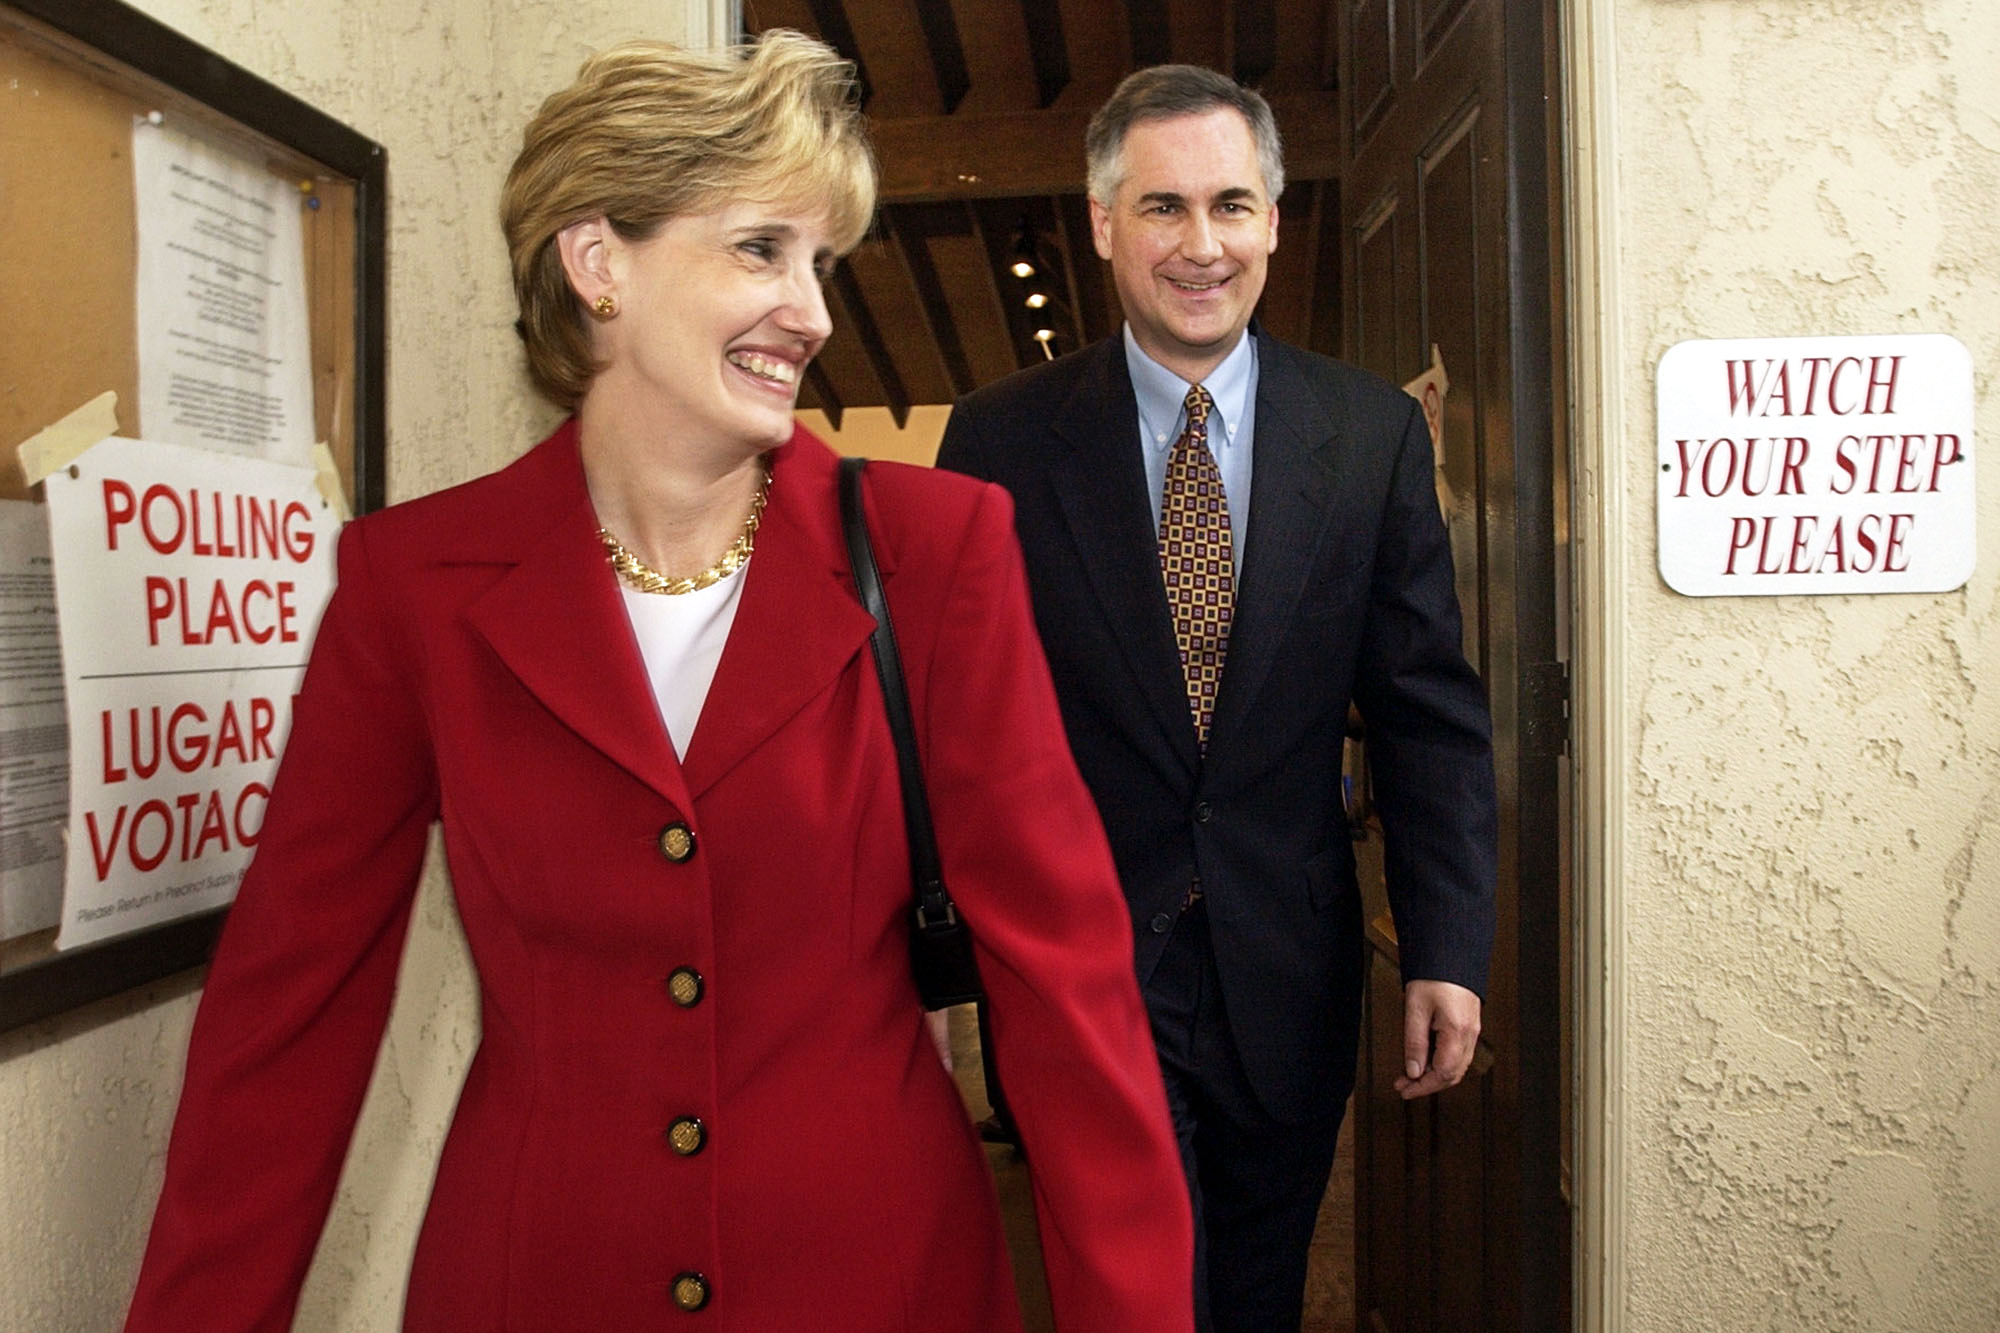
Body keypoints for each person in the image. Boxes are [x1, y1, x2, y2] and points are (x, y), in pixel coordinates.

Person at [123, 33, 1193, 1332]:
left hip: (875, 1276)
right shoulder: (416, 586)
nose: (812, 309)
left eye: (820, 262)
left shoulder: (935, 551)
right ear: (598, 262)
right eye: (760, 250)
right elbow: (284, 1021)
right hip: (533, 1283)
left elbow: (1070, 1002)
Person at [935, 64, 1498, 1332]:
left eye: (1231, 206)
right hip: (1077, 981)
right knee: (1124, 1306)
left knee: (1253, 1301)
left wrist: (1445, 947)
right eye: (1161, 208)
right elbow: (947, 726)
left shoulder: (1366, 437)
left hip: (1285, 977)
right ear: (1099, 223)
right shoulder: (998, 441)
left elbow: (1425, 711)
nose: (1201, 245)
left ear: (1274, 221)